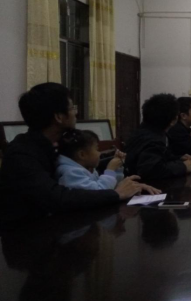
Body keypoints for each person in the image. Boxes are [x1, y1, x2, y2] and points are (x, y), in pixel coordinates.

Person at [0, 83, 151, 227]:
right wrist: (116, 194)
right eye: (72, 108)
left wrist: (125, 183)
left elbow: (85, 172)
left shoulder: (56, 144)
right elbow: (58, 197)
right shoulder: (21, 154)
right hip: (26, 235)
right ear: (59, 117)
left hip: (56, 226)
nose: (75, 113)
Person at [125, 93, 191, 181]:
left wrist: (178, 158)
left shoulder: (144, 132)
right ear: (173, 120)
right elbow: (151, 170)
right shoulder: (153, 139)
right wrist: (183, 166)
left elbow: (159, 158)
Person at [56, 129, 148, 192]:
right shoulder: (71, 173)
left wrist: (117, 168)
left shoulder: (88, 168)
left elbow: (111, 188)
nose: (99, 153)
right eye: (97, 149)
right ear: (82, 155)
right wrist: (110, 170)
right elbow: (100, 193)